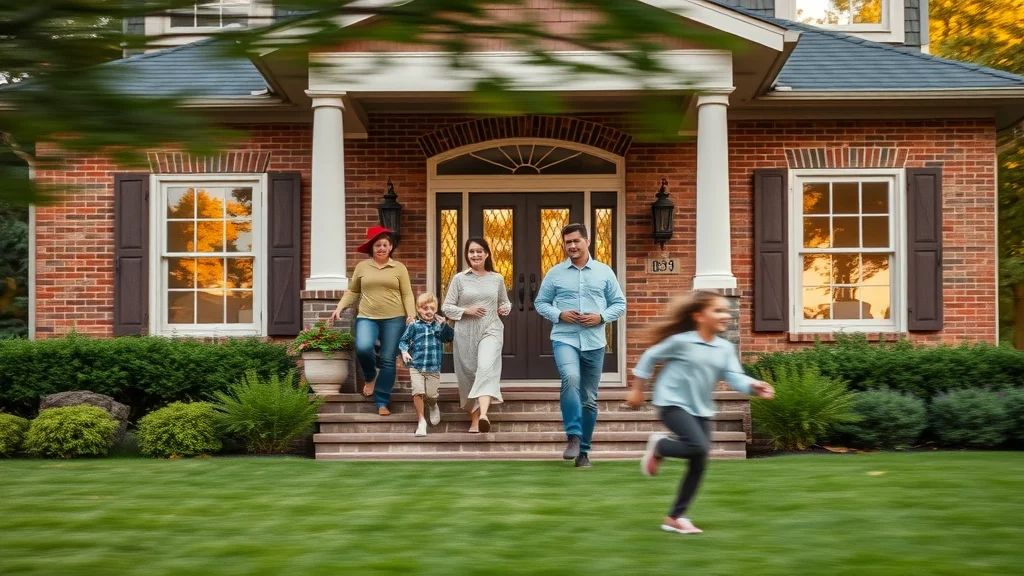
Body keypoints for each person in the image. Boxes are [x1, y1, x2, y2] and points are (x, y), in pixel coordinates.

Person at [628, 290, 775, 535]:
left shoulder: (724, 348)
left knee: (699, 460)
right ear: (699, 316)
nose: (725, 315)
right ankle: (659, 446)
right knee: (698, 446)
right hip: (671, 402)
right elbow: (649, 357)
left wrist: (753, 385)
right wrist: (637, 390)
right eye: (718, 310)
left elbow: (734, 377)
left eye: (726, 310)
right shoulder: (682, 341)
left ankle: (675, 517)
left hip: (700, 408)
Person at [534, 223, 626, 468]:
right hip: (564, 337)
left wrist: (602, 317)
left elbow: (619, 303)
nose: (572, 246)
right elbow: (541, 303)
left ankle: (584, 452)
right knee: (571, 378)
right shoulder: (555, 273)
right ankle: (573, 436)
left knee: (589, 399)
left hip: (595, 341)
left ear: (587, 241)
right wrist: (559, 314)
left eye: (576, 241)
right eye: (567, 242)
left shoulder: (604, 272)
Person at [329, 226, 415, 416]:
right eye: (378, 245)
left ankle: (382, 401)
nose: (382, 248)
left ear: (390, 247)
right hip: (367, 317)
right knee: (363, 347)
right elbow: (353, 291)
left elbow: (407, 293)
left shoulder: (399, 267)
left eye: (385, 245)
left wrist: (411, 314)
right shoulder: (362, 267)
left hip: (395, 318)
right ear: (372, 248)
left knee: (387, 360)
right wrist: (340, 307)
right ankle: (370, 377)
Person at [442, 237, 512, 434]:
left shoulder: (497, 278)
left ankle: (483, 415)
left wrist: (505, 308)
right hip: (465, 332)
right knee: (468, 374)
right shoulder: (459, 279)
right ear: (467, 255)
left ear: (487, 254)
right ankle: (474, 419)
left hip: (491, 328)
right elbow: (446, 307)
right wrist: (467, 311)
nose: (475, 255)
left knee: (485, 366)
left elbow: (504, 302)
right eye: (471, 252)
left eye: (479, 251)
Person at [399, 292, 455, 437]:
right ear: (418, 309)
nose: (428, 311)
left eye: (431, 308)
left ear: (436, 309)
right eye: (425, 308)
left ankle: (432, 404)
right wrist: (404, 352)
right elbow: (403, 341)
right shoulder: (414, 326)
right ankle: (421, 422)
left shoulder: (439, 326)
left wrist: (445, 325)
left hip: (433, 367)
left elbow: (449, 338)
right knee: (418, 392)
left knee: (431, 394)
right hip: (416, 365)